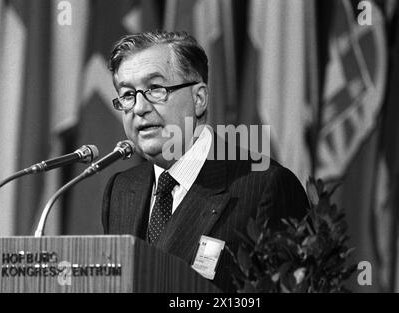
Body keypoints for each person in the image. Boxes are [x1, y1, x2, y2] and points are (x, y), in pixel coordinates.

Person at [102, 30, 308, 292]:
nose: (139, 107)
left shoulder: (265, 185)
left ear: (199, 99)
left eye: (155, 89)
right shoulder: (120, 189)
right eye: (128, 94)